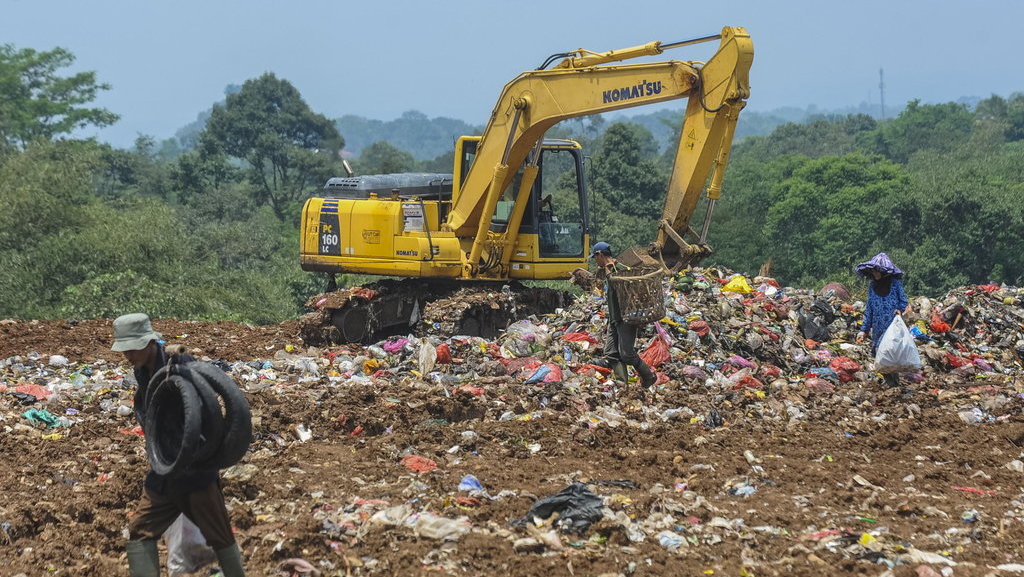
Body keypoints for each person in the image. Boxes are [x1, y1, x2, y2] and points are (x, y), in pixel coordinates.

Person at [113, 313, 246, 577]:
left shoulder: (181, 362)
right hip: (164, 466)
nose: (128, 354)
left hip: (195, 470)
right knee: (140, 531)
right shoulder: (140, 371)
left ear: (150, 342)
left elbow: (204, 409)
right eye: (124, 348)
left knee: (220, 538)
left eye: (132, 347)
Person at [588, 241, 657, 389]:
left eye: (595, 257)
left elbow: (625, 289)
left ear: (600, 254)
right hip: (615, 317)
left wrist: (610, 272)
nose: (595, 260)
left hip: (626, 317)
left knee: (626, 354)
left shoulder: (619, 269)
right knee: (611, 352)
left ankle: (648, 376)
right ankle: (622, 384)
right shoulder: (608, 269)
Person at [854, 253, 911, 387]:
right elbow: (869, 309)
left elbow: (903, 301)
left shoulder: (895, 284)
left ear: (883, 271)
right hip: (878, 327)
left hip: (892, 325)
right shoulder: (873, 287)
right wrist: (864, 330)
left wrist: (899, 309)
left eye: (877, 270)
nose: (875, 273)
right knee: (879, 354)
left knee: (885, 351)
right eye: (873, 271)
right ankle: (893, 383)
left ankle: (893, 383)